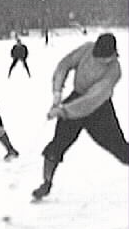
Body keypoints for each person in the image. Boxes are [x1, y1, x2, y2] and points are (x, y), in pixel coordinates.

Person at [32, 33, 129, 201]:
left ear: (113, 55)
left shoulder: (114, 70)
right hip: (76, 97)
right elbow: (64, 65)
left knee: (120, 148)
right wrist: (57, 93)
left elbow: (92, 99)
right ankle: (46, 183)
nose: (101, 60)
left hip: (100, 109)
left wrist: (62, 111)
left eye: (105, 58)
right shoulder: (87, 49)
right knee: (57, 144)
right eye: (98, 56)